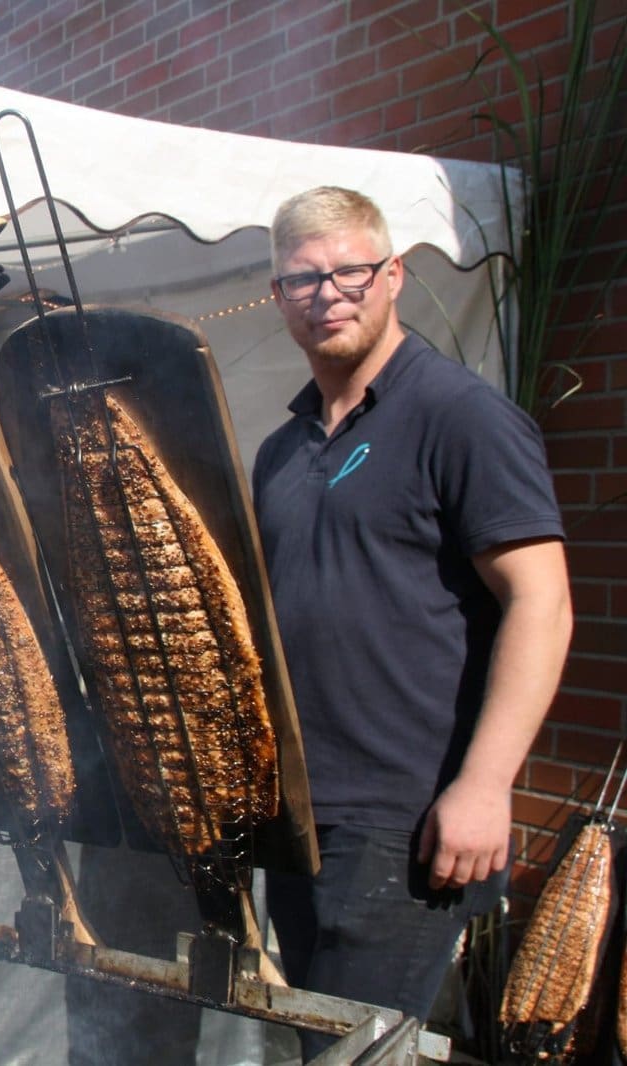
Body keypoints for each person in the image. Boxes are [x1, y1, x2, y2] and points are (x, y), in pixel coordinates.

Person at [252, 186, 572, 1052]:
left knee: (356, 1050)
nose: (329, 294)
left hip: (407, 822)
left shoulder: (461, 417)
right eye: (302, 279)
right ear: (278, 297)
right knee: (313, 1043)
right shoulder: (281, 451)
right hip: (300, 813)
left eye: (350, 270)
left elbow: (541, 602)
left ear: (392, 275)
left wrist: (485, 785)